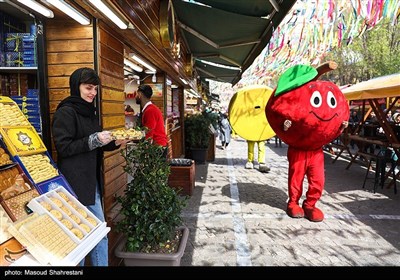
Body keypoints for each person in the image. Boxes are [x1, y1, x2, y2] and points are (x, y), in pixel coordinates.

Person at [52, 67, 127, 266]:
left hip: (90, 182)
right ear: (76, 87)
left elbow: (96, 143)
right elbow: (63, 147)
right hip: (74, 184)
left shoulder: (89, 112)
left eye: (95, 88)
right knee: (94, 234)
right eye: (88, 88)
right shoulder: (66, 112)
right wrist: (94, 139)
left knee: (87, 235)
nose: (93, 93)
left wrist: (116, 142)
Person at [135, 84, 168, 158]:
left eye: (136, 94)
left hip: (157, 148)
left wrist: (145, 150)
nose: (135, 96)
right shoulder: (151, 108)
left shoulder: (150, 111)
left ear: (140, 94)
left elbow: (149, 132)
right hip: (159, 146)